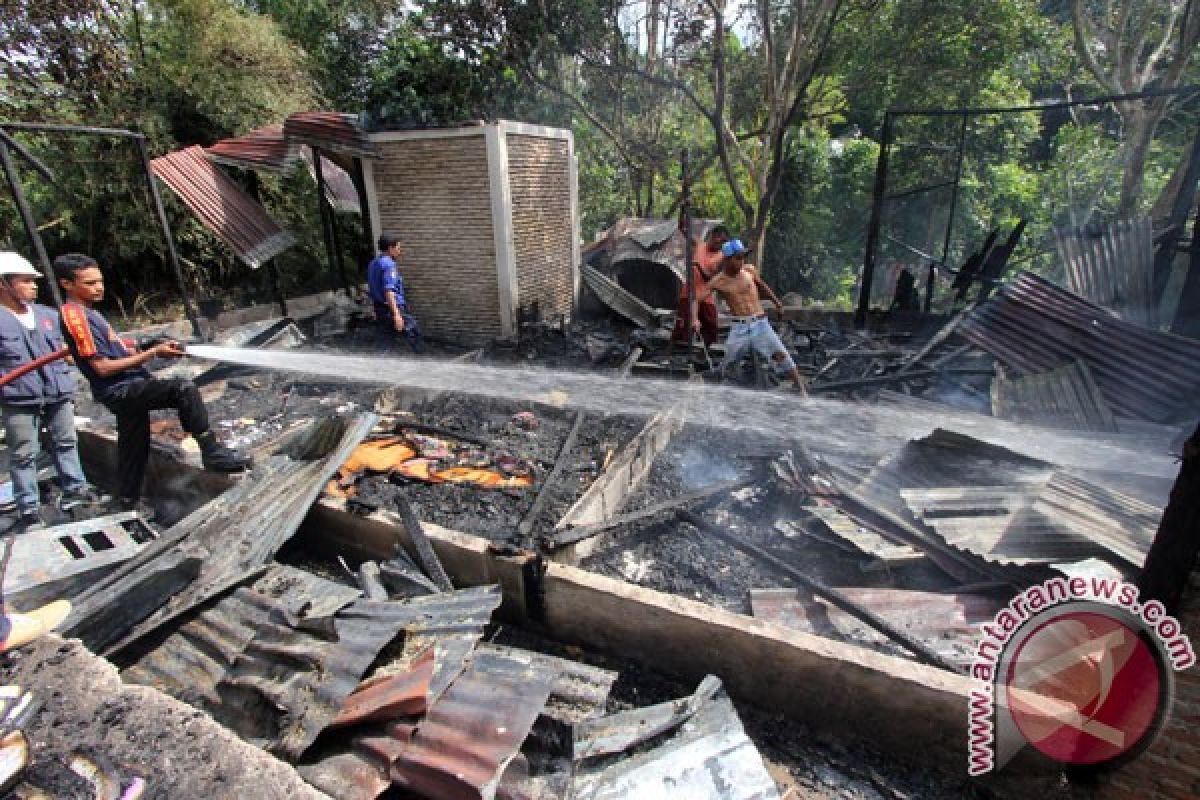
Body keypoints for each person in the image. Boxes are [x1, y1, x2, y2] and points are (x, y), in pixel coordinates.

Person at [54, 253, 249, 509]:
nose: (99, 287)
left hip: (127, 384)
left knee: (133, 446)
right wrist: (152, 353)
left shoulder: (93, 315)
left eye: (99, 281)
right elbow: (101, 368)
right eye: (89, 283)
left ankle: (126, 500)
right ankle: (212, 453)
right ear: (66, 284)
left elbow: (121, 348)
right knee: (183, 389)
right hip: (119, 389)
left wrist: (149, 345)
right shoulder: (74, 316)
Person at [0, 253, 107, 530]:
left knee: (66, 442)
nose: (34, 286)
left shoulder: (48, 316)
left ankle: (76, 492)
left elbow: (71, 352)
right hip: (18, 397)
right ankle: (29, 510)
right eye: (25, 281)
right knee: (24, 453)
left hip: (57, 391)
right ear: (4, 284)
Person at [693, 239, 807, 393]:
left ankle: (801, 389)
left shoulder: (749, 271)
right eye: (737, 258)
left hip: (760, 324)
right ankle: (716, 390)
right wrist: (695, 318)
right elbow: (696, 299)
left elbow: (762, 286)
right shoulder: (718, 281)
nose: (741, 261)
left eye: (743, 257)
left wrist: (777, 303)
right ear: (727, 260)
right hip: (740, 327)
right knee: (729, 362)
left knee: (780, 353)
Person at [671, 224, 730, 347]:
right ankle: (679, 355)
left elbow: (710, 278)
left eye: (724, 241)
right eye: (720, 240)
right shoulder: (699, 245)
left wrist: (698, 266)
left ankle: (707, 355)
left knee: (711, 327)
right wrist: (683, 207)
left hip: (705, 296)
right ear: (713, 236)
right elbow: (683, 226)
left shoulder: (722, 257)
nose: (720, 244)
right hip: (688, 293)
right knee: (683, 328)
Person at [367, 233, 424, 353]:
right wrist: (397, 315)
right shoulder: (389, 265)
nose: (400, 251)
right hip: (392, 308)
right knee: (414, 332)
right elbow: (389, 291)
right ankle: (423, 362)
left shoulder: (373, 264)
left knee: (385, 340)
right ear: (390, 248)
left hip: (380, 309)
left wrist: (375, 309)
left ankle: (381, 366)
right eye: (398, 248)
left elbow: (373, 287)